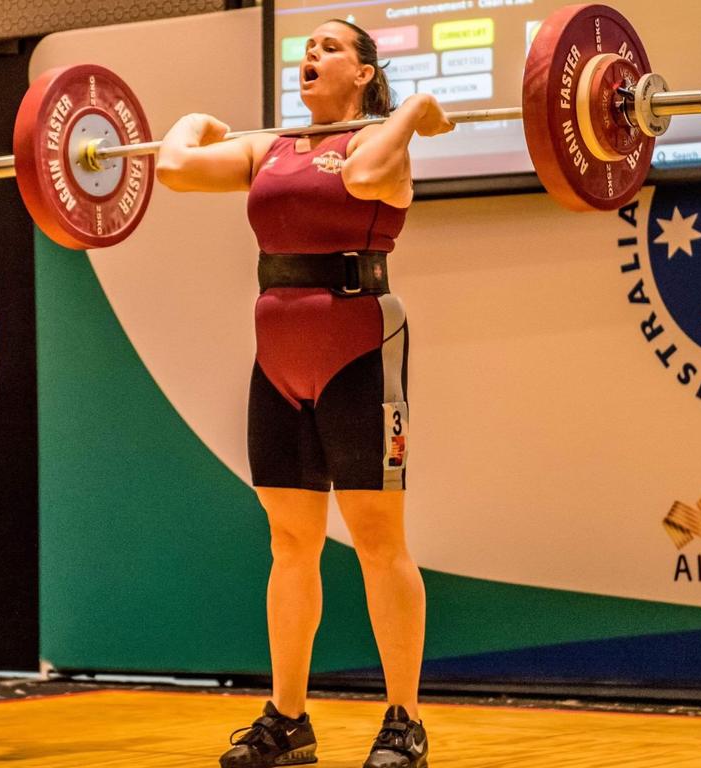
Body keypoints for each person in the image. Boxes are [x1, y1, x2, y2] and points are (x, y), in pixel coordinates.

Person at [157, 18, 453, 768]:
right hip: (278, 361)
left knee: (379, 543)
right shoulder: (273, 146)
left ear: (363, 73)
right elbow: (176, 169)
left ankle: (404, 723)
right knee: (290, 542)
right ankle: (288, 721)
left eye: (328, 47)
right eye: (306, 48)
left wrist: (413, 113)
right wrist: (201, 122)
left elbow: (361, 179)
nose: (309, 55)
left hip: (360, 351)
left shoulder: (381, 145)